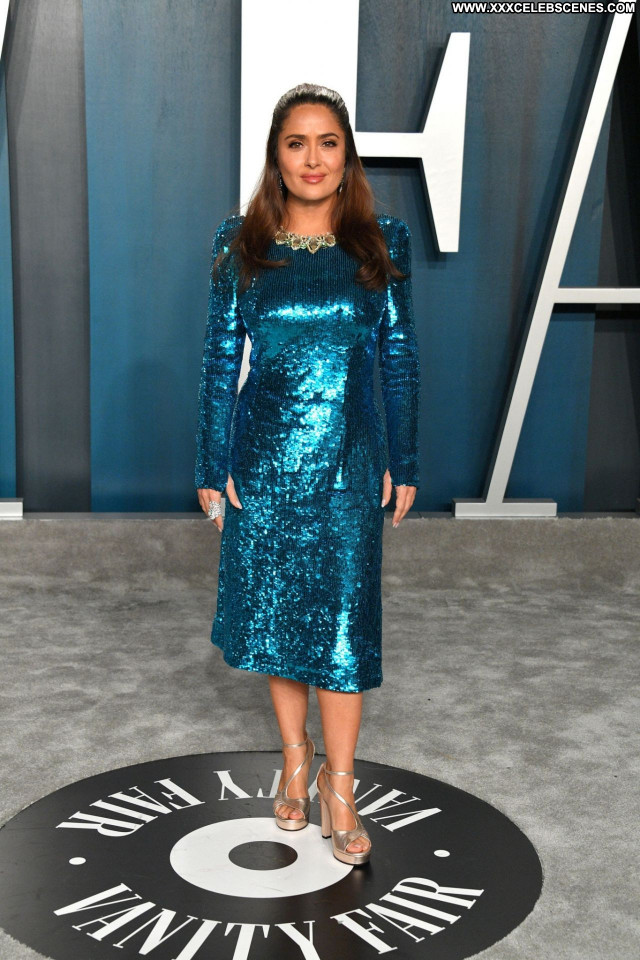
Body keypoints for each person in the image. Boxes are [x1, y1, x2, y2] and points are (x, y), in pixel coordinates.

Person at [195, 82, 420, 866]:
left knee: (344, 626)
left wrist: (405, 459)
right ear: (276, 155)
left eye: (328, 143)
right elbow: (220, 359)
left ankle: (341, 785)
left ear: (346, 155)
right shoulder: (239, 243)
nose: (313, 159)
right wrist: (211, 462)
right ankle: (296, 760)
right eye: (297, 143)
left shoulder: (383, 241)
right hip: (262, 464)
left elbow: (399, 356)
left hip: (351, 464)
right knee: (279, 619)